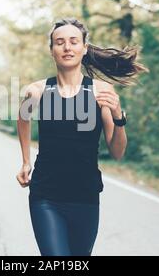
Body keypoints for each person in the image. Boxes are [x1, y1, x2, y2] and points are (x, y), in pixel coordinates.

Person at [16, 17, 149, 256]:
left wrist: (119, 117)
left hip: (85, 197)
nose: (67, 47)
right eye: (60, 42)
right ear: (52, 51)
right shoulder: (37, 92)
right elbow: (23, 118)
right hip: (45, 196)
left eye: (73, 41)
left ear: (84, 48)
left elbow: (117, 152)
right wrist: (25, 160)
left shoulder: (102, 92)